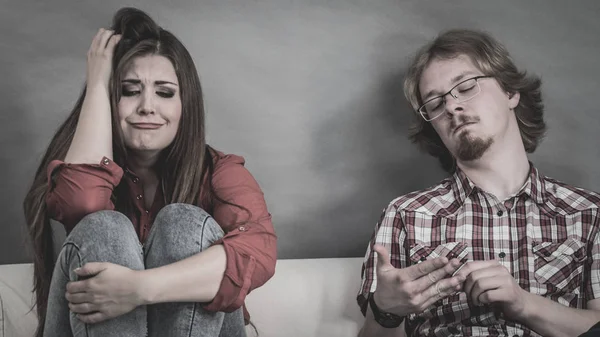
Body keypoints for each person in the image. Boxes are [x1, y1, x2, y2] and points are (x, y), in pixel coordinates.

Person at [22, 7, 276, 337]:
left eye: (164, 92)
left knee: (184, 223)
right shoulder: (78, 159)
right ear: (112, 101)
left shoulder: (218, 171)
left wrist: (139, 288)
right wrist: (98, 84)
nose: (146, 105)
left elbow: (257, 254)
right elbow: (81, 203)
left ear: (186, 105)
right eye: (129, 90)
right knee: (103, 227)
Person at [356, 29, 600, 337]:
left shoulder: (591, 213)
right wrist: (385, 311)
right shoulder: (405, 215)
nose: (451, 107)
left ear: (510, 92)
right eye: (435, 104)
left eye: (466, 86)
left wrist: (524, 304)